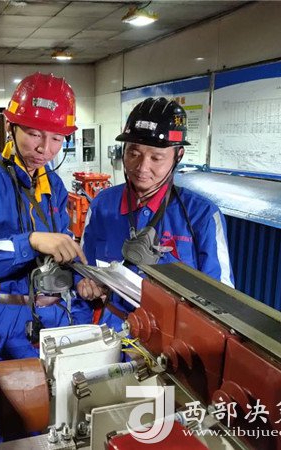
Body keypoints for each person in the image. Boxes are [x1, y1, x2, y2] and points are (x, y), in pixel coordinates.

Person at [0, 72, 86, 448]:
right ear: (11, 127)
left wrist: (80, 273)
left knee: (47, 425)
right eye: (34, 134)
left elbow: (58, 253)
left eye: (56, 138)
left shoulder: (54, 187)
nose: (45, 148)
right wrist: (31, 242)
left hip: (50, 322)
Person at [76, 97, 234, 331]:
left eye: (156, 158)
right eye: (133, 153)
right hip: (112, 332)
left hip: (173, 338)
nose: (142, 167)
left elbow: (221, 300)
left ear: (178, 155)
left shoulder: (202, 216)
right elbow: (84, 270)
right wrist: (86, 286)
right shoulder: (102, 206)